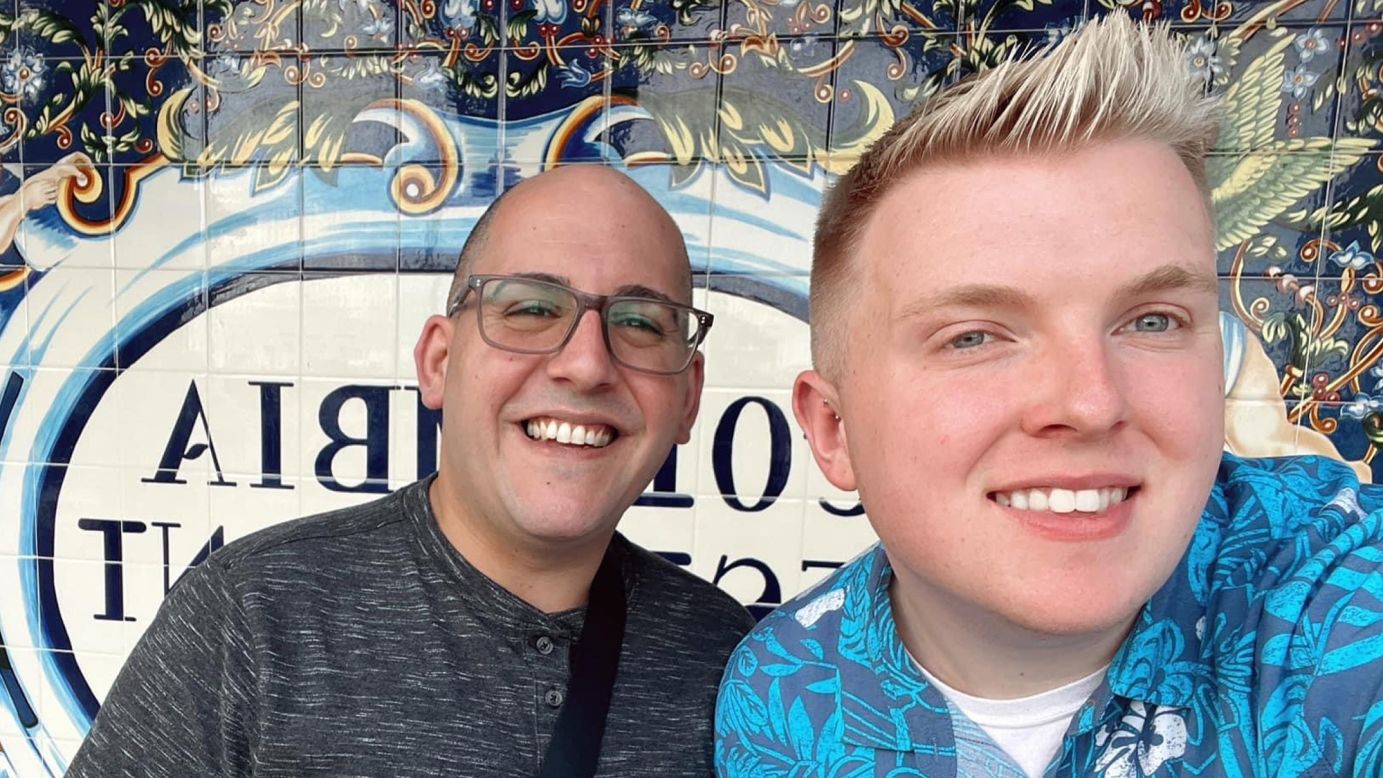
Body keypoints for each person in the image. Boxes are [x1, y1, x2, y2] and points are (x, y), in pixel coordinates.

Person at [716, 15, 1383, 778]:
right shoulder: (779, 692)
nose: (1091, 401)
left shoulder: (1334, 607)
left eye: (1152, 321)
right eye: (973, 336)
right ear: (832, 429)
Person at [70, 165, 754, 777]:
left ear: (687, 396)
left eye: (640, 323)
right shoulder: (252, 617)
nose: (585, 363)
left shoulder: (740, 668)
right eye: (531, 309)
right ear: (439, 362)